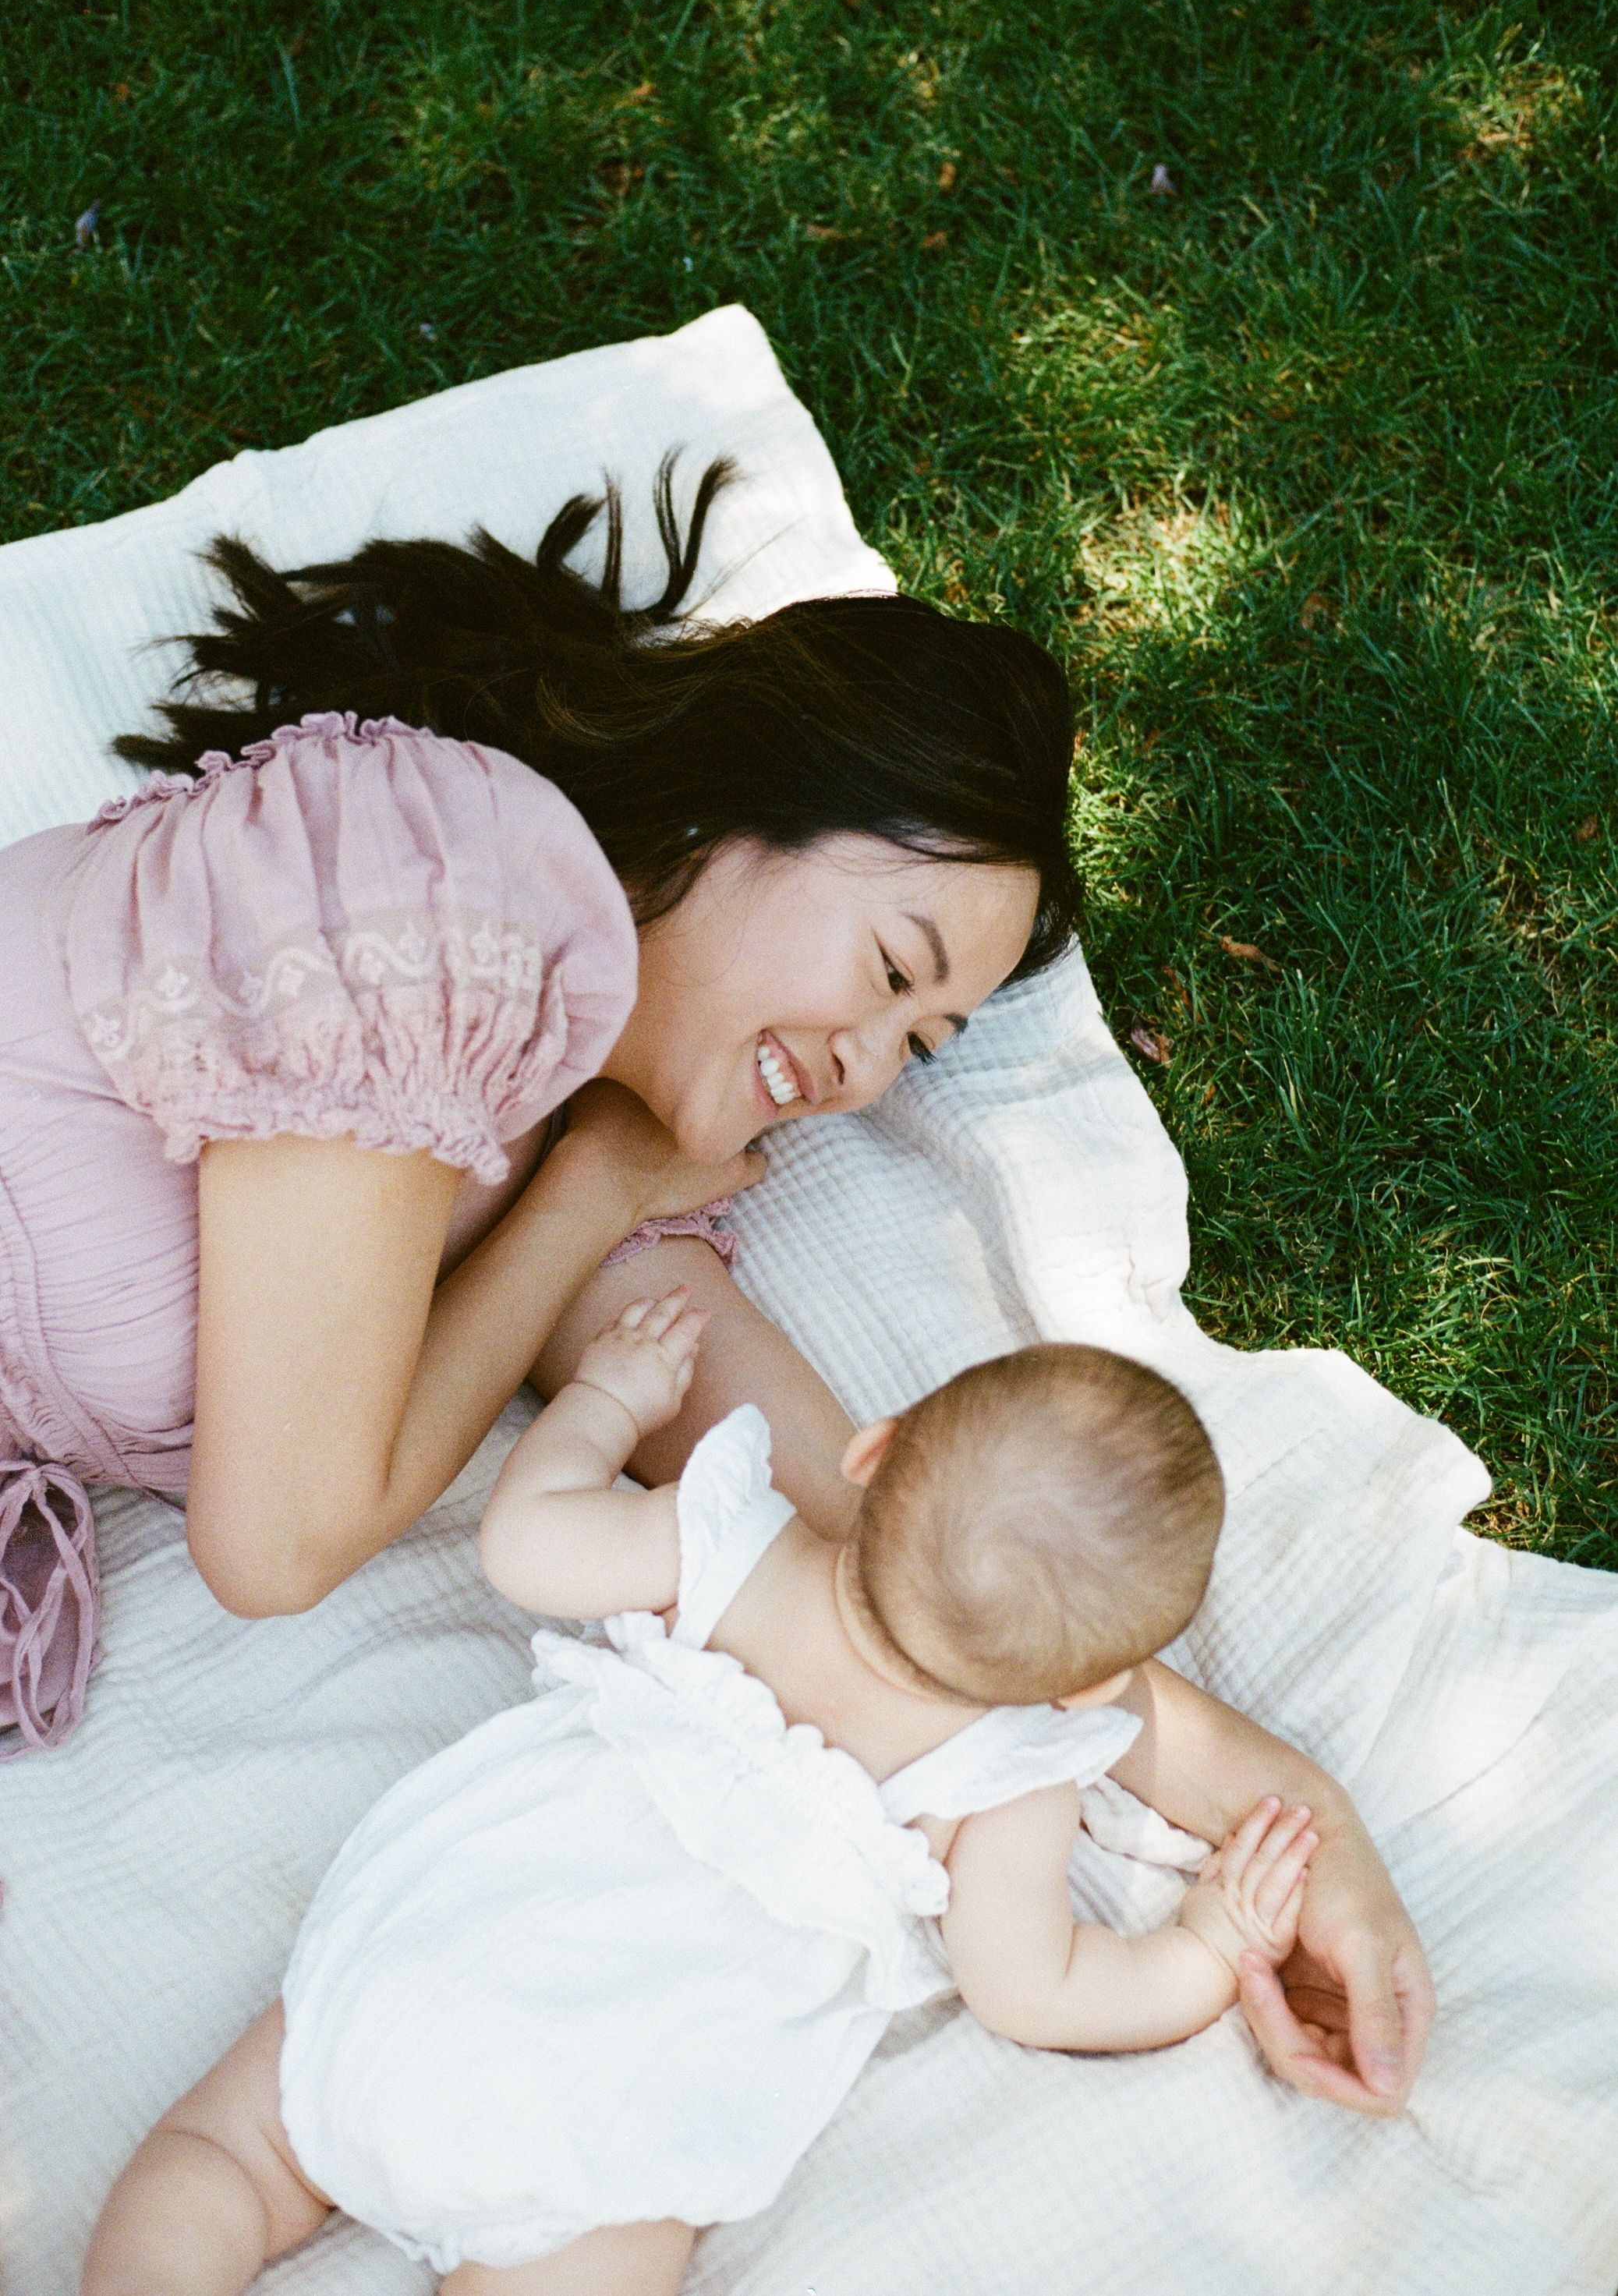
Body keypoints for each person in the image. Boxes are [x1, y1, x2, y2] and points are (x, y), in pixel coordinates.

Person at [0, 464, 1429, 2110]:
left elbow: (907, 1541)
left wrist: (1283, 1803)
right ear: (742, 803)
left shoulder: (584, 1104)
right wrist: (591, 1196)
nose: (860, 1068)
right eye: (891, 971)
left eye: (921, 1048)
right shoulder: (430, 890)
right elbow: (277, 1539)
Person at [83, 1291, 1328, 2296]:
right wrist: (1208, 1946)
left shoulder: (730, 1541)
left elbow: (526, 1543)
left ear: (873, 1449)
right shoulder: (1006, 1779)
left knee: (226, 2160)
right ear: (1094, 1682)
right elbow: (1032, 1986)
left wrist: (602, 1406)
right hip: (609, 2113)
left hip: (429, 1973)